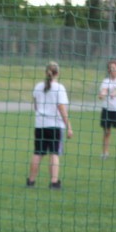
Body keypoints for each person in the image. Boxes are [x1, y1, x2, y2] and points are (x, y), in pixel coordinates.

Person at [26, 61, 73, 189]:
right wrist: (69, 126)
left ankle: (31, 181)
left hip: (40, 125)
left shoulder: (38, 86)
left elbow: (36, 105)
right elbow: (61, 108)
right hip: (55, 125)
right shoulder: (59, 88)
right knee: (54, 153)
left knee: (38, 153)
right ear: (57, 73)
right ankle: (54, 182)